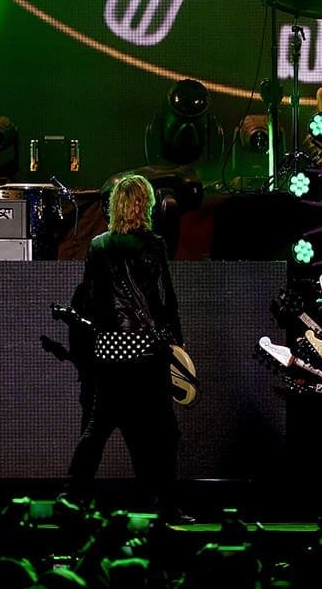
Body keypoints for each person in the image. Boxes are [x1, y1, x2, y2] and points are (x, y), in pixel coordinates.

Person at [63, 173, 187, 520]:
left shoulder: (98, 245)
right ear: (144, 205)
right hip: (145, 352)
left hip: (109, 353)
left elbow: (90, 299)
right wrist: (176, 340)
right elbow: (164, 299)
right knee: (161, 432)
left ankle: (70, 495)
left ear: (115, 206)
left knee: (97, 428)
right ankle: (165, 504)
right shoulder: (153, 245)